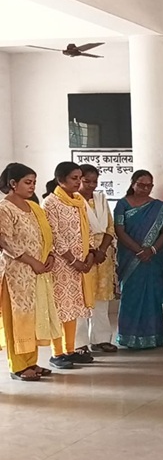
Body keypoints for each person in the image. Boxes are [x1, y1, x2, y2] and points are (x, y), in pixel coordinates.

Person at [0, 163, 63, 380]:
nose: (32, 186)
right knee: (18, 319)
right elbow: (5, 242)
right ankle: (18, 366)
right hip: (15, 274)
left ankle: (31, 362)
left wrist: (50, 255)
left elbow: (46, 234)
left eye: (34, 182)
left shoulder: (33, 207)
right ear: (13, 183)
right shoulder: (5, 208)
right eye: (28, 182)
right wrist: (33, 262)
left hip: (37, 273)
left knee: (33, 317)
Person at [43, 162, 95, 369]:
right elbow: (54, 236)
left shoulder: (78, 200)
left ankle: (70, 349)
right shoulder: (51, 202)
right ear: (60, 179)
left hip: (79, 265)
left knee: (72, 308)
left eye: (79, 178)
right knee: (59, 308)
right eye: (74, 178)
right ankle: (57, 353)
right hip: (61, 265)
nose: (78, 182)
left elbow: (87, 228)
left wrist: (90, 253)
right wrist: (74, 261)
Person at [114, 171, 163, 349]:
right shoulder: (122, 204)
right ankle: (128, 337)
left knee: (151, 296)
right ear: (133, 184)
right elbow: (119, 231)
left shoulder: (159, 207)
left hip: (153, 259)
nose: (145, 189)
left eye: (149, 186)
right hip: (130, 257)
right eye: (141, 185)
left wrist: (152, 250)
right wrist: (139, 251)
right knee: (131, 296)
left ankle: (154, 336)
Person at [76, 164, 117, 353]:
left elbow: (109, 227)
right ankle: (79, 343)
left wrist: (101, 250)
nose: (91, 185)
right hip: (83, 256)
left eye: (95, 181)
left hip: (103, 256)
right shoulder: (73, 201)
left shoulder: (100, 199)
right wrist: (92, 252)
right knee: (82, 298)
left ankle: (101, 339)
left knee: (102, 298)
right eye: (87, 181)